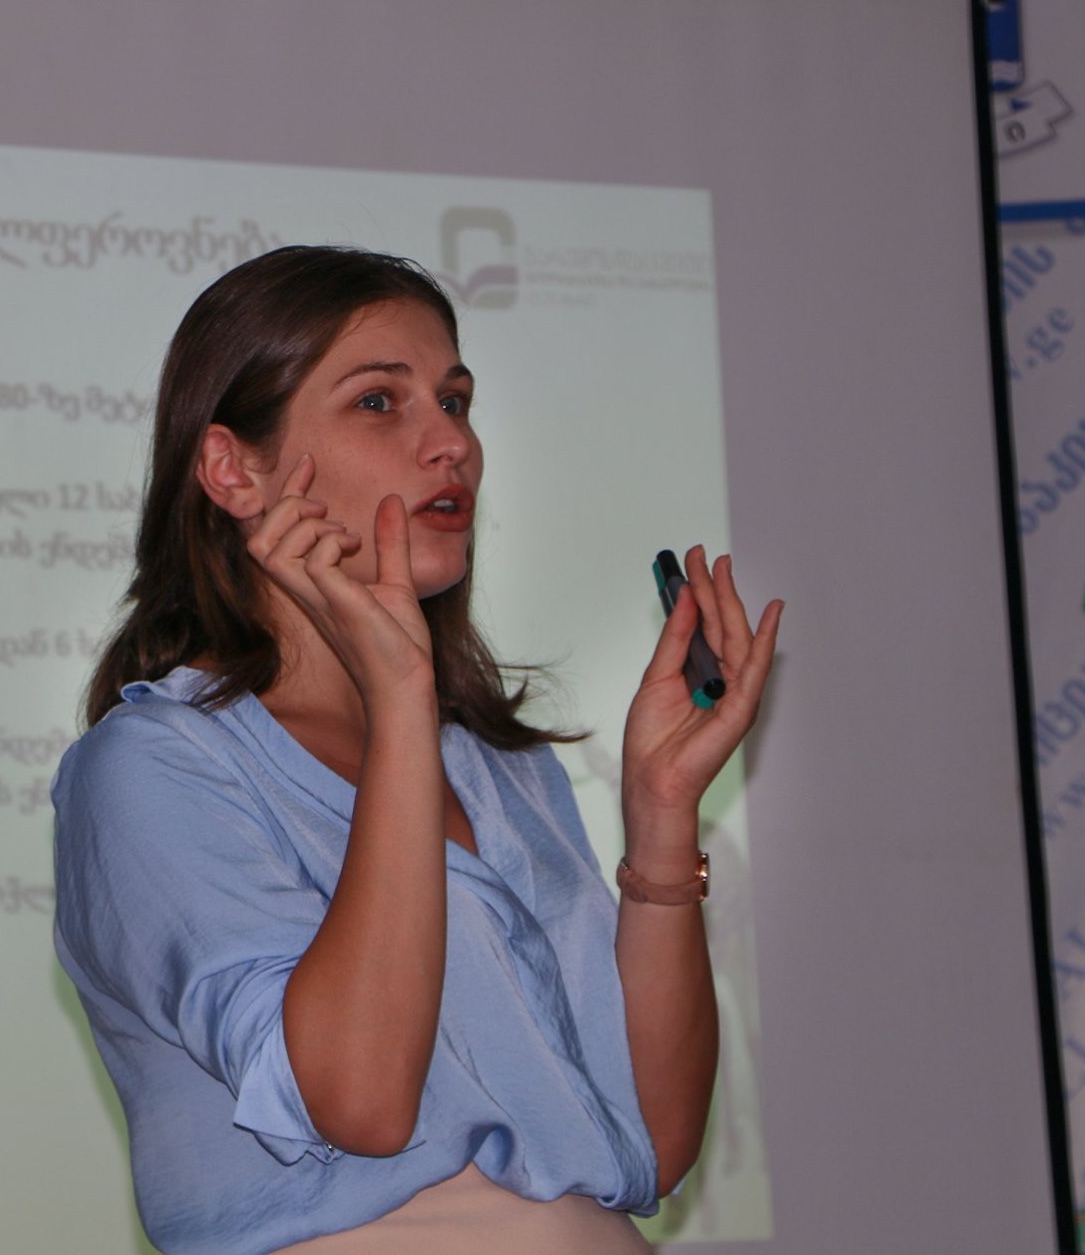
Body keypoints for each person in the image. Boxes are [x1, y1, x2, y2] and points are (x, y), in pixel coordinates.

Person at [52, 245, 782, 1253]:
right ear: (232, 469)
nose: (452, 444)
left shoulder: (501, 768)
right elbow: (360, 1100)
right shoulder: (154, 766)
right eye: (378, 403)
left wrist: (661, 817)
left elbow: (651, 1147)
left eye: (455, 401)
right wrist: (398, 699)